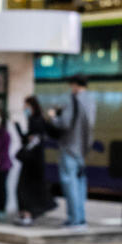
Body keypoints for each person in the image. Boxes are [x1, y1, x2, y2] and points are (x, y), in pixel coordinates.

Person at [47, 74, 96, 227]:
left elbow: (65, 123)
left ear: (75, 85)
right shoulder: (91, 100)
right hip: (82, 148)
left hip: (69, 147)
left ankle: (74, 219)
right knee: (80, 184)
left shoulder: (72, 99)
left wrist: (53, 117)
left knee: (70, 183)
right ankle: (80, 217)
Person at [14, 96, 56, 226]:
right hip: (33, 161)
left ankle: (28, 215)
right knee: (25, 188)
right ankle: (26, 214)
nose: (25, 109)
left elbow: (34, 140)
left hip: (33, 162)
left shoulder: (37, 120)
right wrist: (20, 131)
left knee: (25, 189)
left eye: (27, 106)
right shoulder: (35, 120)